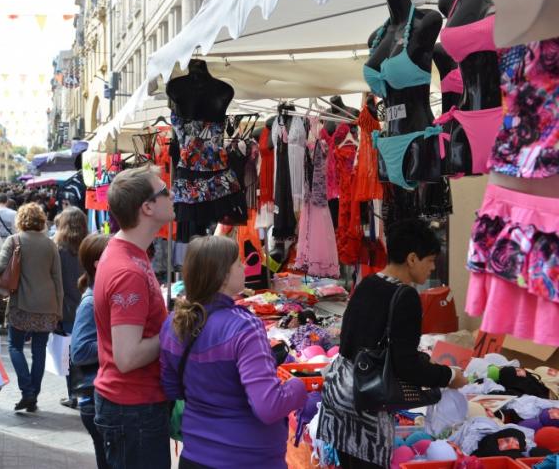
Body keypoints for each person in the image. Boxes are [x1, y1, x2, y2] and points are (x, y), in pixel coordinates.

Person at [318, 219, 468, 469]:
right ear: (412, 259)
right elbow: (405, 365)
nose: (433, 267)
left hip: (340, 394)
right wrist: (449, 376)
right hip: (366, 404)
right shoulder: (406, 296)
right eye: (431, 260)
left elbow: (351, 341)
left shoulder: (368, 283)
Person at [160, 236, 307, 469]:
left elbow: (172, 388)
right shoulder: (243, 327)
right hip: (248, 458)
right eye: (238, 263)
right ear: (223, 275)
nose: (244, 267)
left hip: (195, 455)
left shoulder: (172, 324)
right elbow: (269, 406)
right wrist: (299, 386)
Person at [93, 165, 174, 469]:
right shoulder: (128, 270)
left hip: (132, 408)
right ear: (147, 207)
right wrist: (176, 330)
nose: (173, 195)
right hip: (134, 411)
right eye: (165, 191)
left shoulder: (129, 252)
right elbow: (127, 357)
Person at [0, 203, 63, 413]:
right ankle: (33, 394)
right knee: (39, 350)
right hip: (47, 304)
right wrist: (58, 309)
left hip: (21, 303)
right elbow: (57, 279)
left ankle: (27, 391)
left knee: (15, 346)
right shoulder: (50, 244)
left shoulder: (14, 240)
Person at [70, 233, 111, 469]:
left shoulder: (101, 296)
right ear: (98, 263)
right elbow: (79, 351)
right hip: (94, 398)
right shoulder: (91, 302)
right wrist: (119, 341)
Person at [54, 206, 89, 409]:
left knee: (69, 354)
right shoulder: (90, 245)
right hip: (89, 306)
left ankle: (74, 394)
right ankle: (86, 394)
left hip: (67, 308)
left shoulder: (58, 249)